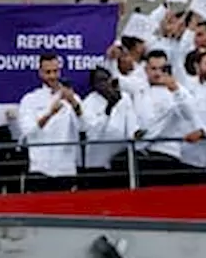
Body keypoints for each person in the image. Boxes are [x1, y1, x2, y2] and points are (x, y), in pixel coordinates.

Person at [17, 53, 84, 189]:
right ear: (40, 73)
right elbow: (27, 130)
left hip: (66, 168)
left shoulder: (73, 98)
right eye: (48, 72)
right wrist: (50, 114)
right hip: (40, 167)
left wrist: (73, 103)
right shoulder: (30, 99)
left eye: (55, 71)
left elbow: (84, 127)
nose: (52, 76)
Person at [80, 67, 140, 173]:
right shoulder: (87, 103)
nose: (105, 83)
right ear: (94, 85)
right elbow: (93, 134)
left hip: (120, 159)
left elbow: (132, 125)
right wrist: (108, 109)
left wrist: (135, 134)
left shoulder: (123, 97)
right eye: (100, 81)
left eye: (106, 79)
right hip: (97, 162)